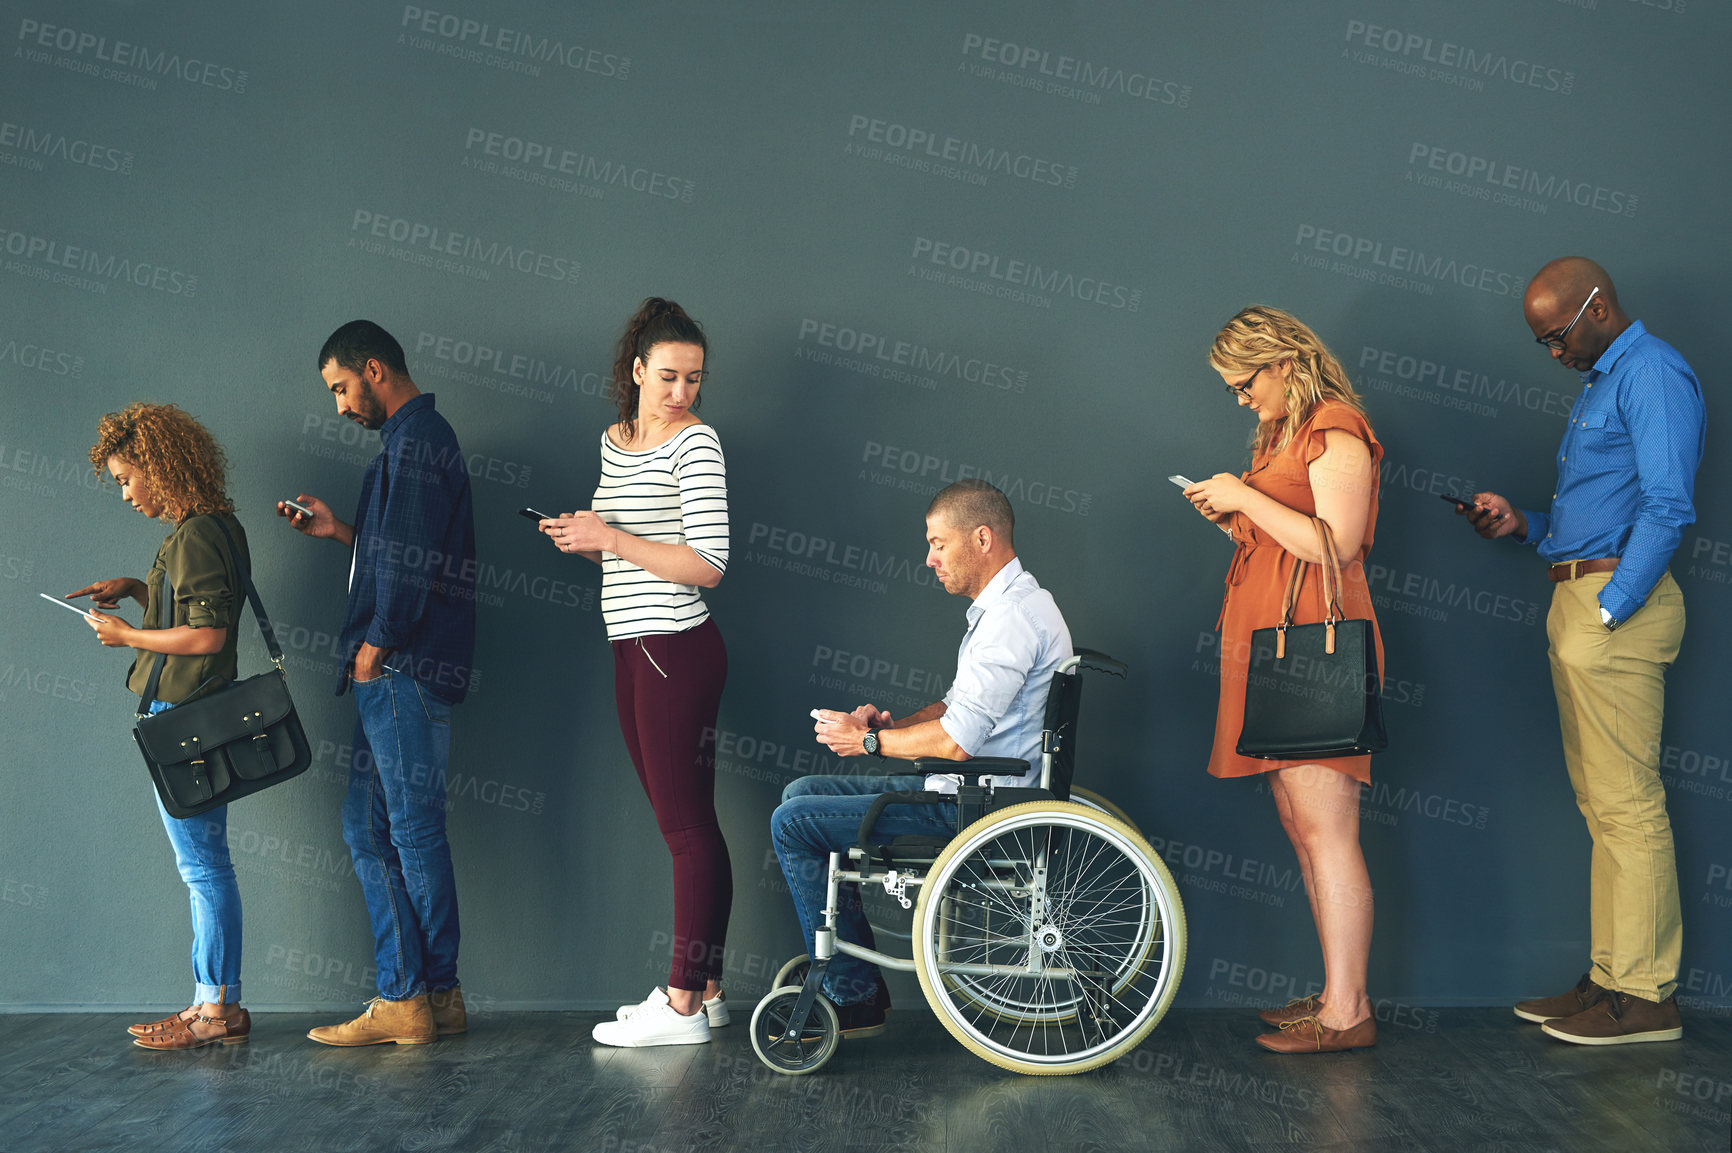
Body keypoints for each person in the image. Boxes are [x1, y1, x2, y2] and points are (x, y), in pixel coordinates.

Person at [1461, 257, 1703, 1046]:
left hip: (1613, 615)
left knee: (1629, 806)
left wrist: (1610, 607)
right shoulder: (1604, 381)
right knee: (1603, 807)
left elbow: (1668, 505)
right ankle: (1610, 978)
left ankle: (1647, 996)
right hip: (1582, 599)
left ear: (1598, 307)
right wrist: (1524, 524)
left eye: (1558, 336)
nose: (1555, 355)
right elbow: (1600, 512)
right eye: (1544, 344)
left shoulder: (1654, 372)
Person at [771, 479, 1073, 1038]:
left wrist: (865, 744)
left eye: (938, 543)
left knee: (793, 822)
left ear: (981, 539)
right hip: (975, 791)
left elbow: (957, 742)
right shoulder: (1016, 604)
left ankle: (853, 992)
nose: (928, 558)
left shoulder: (1010, 620)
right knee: (799, 795)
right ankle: (852, 981)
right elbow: (957, 707)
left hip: (979, 809)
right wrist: (889, 726)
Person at [1183, 305, 1383, 1054]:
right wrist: (1232, 509)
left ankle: (1349, 1011)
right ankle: (1336, 992)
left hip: (1309, 653)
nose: (1240, 398)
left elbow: (1339, 546)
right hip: (1276, 647)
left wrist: (1244, 496)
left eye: (1243, 383)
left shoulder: (1336, 427)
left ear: (1285, 364)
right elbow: (1282, 532)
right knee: (1303, 827)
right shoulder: (1283, 435)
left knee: (1327, 831)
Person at [540, 298, 733, 1048]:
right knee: (686, 824)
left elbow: (707, 565)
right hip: (628, 646)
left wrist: (610, 534)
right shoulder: (614, 441)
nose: (682, 393)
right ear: (637, 371)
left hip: (675, 648)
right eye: (669, 377)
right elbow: (622, 546)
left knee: (685, 829)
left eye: (694, 379)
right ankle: (708, 989)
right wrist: (583, 541)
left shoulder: (699, 445)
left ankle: (682, 1003)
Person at [280, 320, 476, 1046]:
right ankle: (437, 995)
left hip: (399, 667)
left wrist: (377, 647)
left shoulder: (420, 440)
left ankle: (409, 997)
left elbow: (410, 567)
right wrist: (340, 532)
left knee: (406, 833)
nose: (337, 405)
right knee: (380, 828)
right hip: (400, 667)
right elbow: (399, 546)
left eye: (340, 387)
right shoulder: (412, 442)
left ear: (373, 368)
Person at [72, 403, 255, 1050]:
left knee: (202, 867)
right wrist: (140, 591)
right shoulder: (214, 525)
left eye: (127, 478)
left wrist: (126, 636)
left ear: (158, 465)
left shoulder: (196, 533)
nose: (124, 493)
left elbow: (209, 634)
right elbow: (197, 613)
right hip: (193, 713)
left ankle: (213, 1008)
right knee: (205, 863)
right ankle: (219, 1005)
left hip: (185, 717)